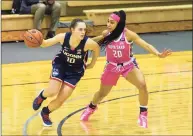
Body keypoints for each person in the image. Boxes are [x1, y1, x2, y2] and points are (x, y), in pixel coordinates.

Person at [80, 10, 172, 128]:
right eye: (108, 21)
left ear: (119, 24)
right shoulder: (106, 33)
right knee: (102, 93)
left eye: (111, 22)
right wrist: (82, 43)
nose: (108, 24)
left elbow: (146, 45)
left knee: (142, 85)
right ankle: (91, 107)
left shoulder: (128, 34)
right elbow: (96, 40)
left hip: (128, 66)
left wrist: (158, 54)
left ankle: (143, 114)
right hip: (111, 67)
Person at [32, 18, 100, 127]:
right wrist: (38, 39)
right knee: (52, 91)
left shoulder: (88, 43)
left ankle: (45, 112)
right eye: (80, 29)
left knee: (61, 100)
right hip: (61, 65)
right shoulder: (63, 37)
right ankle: (41, 96)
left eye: (84, 30)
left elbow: (97, 48)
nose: (83, 32)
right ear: (72, 30)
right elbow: (45, 43)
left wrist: (92, 64)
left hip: (75, 72)